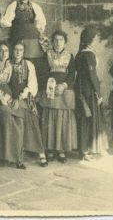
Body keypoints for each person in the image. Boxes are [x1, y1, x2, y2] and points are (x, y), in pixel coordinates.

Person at [39, 30, 77, 162]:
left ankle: (61, 149)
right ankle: (49, 149)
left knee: (62, 120)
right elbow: (43, 73)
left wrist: (64, 85)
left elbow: (72, 74)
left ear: (65, 42)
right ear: (52, 41)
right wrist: (51, 85)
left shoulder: (70, 56)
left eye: (61, 40)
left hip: (64, 91)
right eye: (55, 40)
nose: (58, 43)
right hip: (50, 89)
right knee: (50, 119)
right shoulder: (47, 54)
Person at [0, 0, 48, 87]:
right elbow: (6, 22)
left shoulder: (35, 7)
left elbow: (41, 23)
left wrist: (39, 30)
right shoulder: (13, 5)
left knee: (33, 66)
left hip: (33, 42)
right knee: (19, 65)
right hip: (19, 39)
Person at [9, 42, 48, 167]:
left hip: (25, 98)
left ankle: (41, 152)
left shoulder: (29, 65)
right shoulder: (7, 64)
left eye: (20, 50)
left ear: (24, 52)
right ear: (12, 51)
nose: (18, 52)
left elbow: (32, 86)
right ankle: (18, 154)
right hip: (11, 99)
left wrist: (21, 97)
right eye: (16, 49)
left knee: (32, 117)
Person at [75, 26, 108, 161]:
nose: (96, 41)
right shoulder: (89, 55)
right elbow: (92, 76)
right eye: (95, 39)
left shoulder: (80, 53)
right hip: (88, 90)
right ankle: (84, 151)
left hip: (81, 88)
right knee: (87, 119)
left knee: (85, 119)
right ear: (90, 40)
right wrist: (98, 94)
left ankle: (85, 150)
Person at [0, 41, 26, 169]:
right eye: (1, 50)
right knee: (6, 115)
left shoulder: (10, 66)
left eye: (6, 51)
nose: (4, 53)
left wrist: (16, 98)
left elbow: (15, 84)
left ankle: (18, 157)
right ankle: (6, 156)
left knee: (19, 117)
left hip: (8, 95)